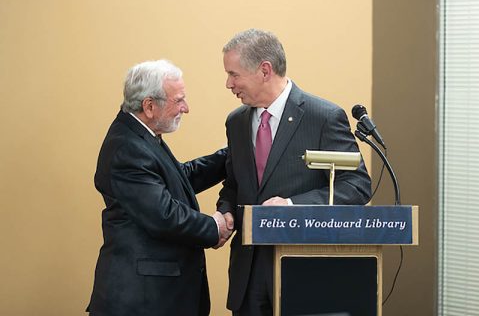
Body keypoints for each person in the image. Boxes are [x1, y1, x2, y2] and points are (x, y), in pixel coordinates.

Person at [216, 29, 372, 315]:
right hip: (247, 274)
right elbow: (234, 183)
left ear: (265, 70)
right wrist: (225, 211)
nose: (229, 84)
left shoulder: (323, 117)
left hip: (302, 270)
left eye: (234, 74)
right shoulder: (236, 122)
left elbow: (357, 186)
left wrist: (291, 206)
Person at [87, 59, 232, 316]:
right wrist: (214, 226)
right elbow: (163, 215)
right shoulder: (127, 148)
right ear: (150, 106)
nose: (185, 108)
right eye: (179, 100)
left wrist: (231, 155)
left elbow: (179, 177)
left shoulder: (140, 134)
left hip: (154, 297)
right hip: (142, 301)